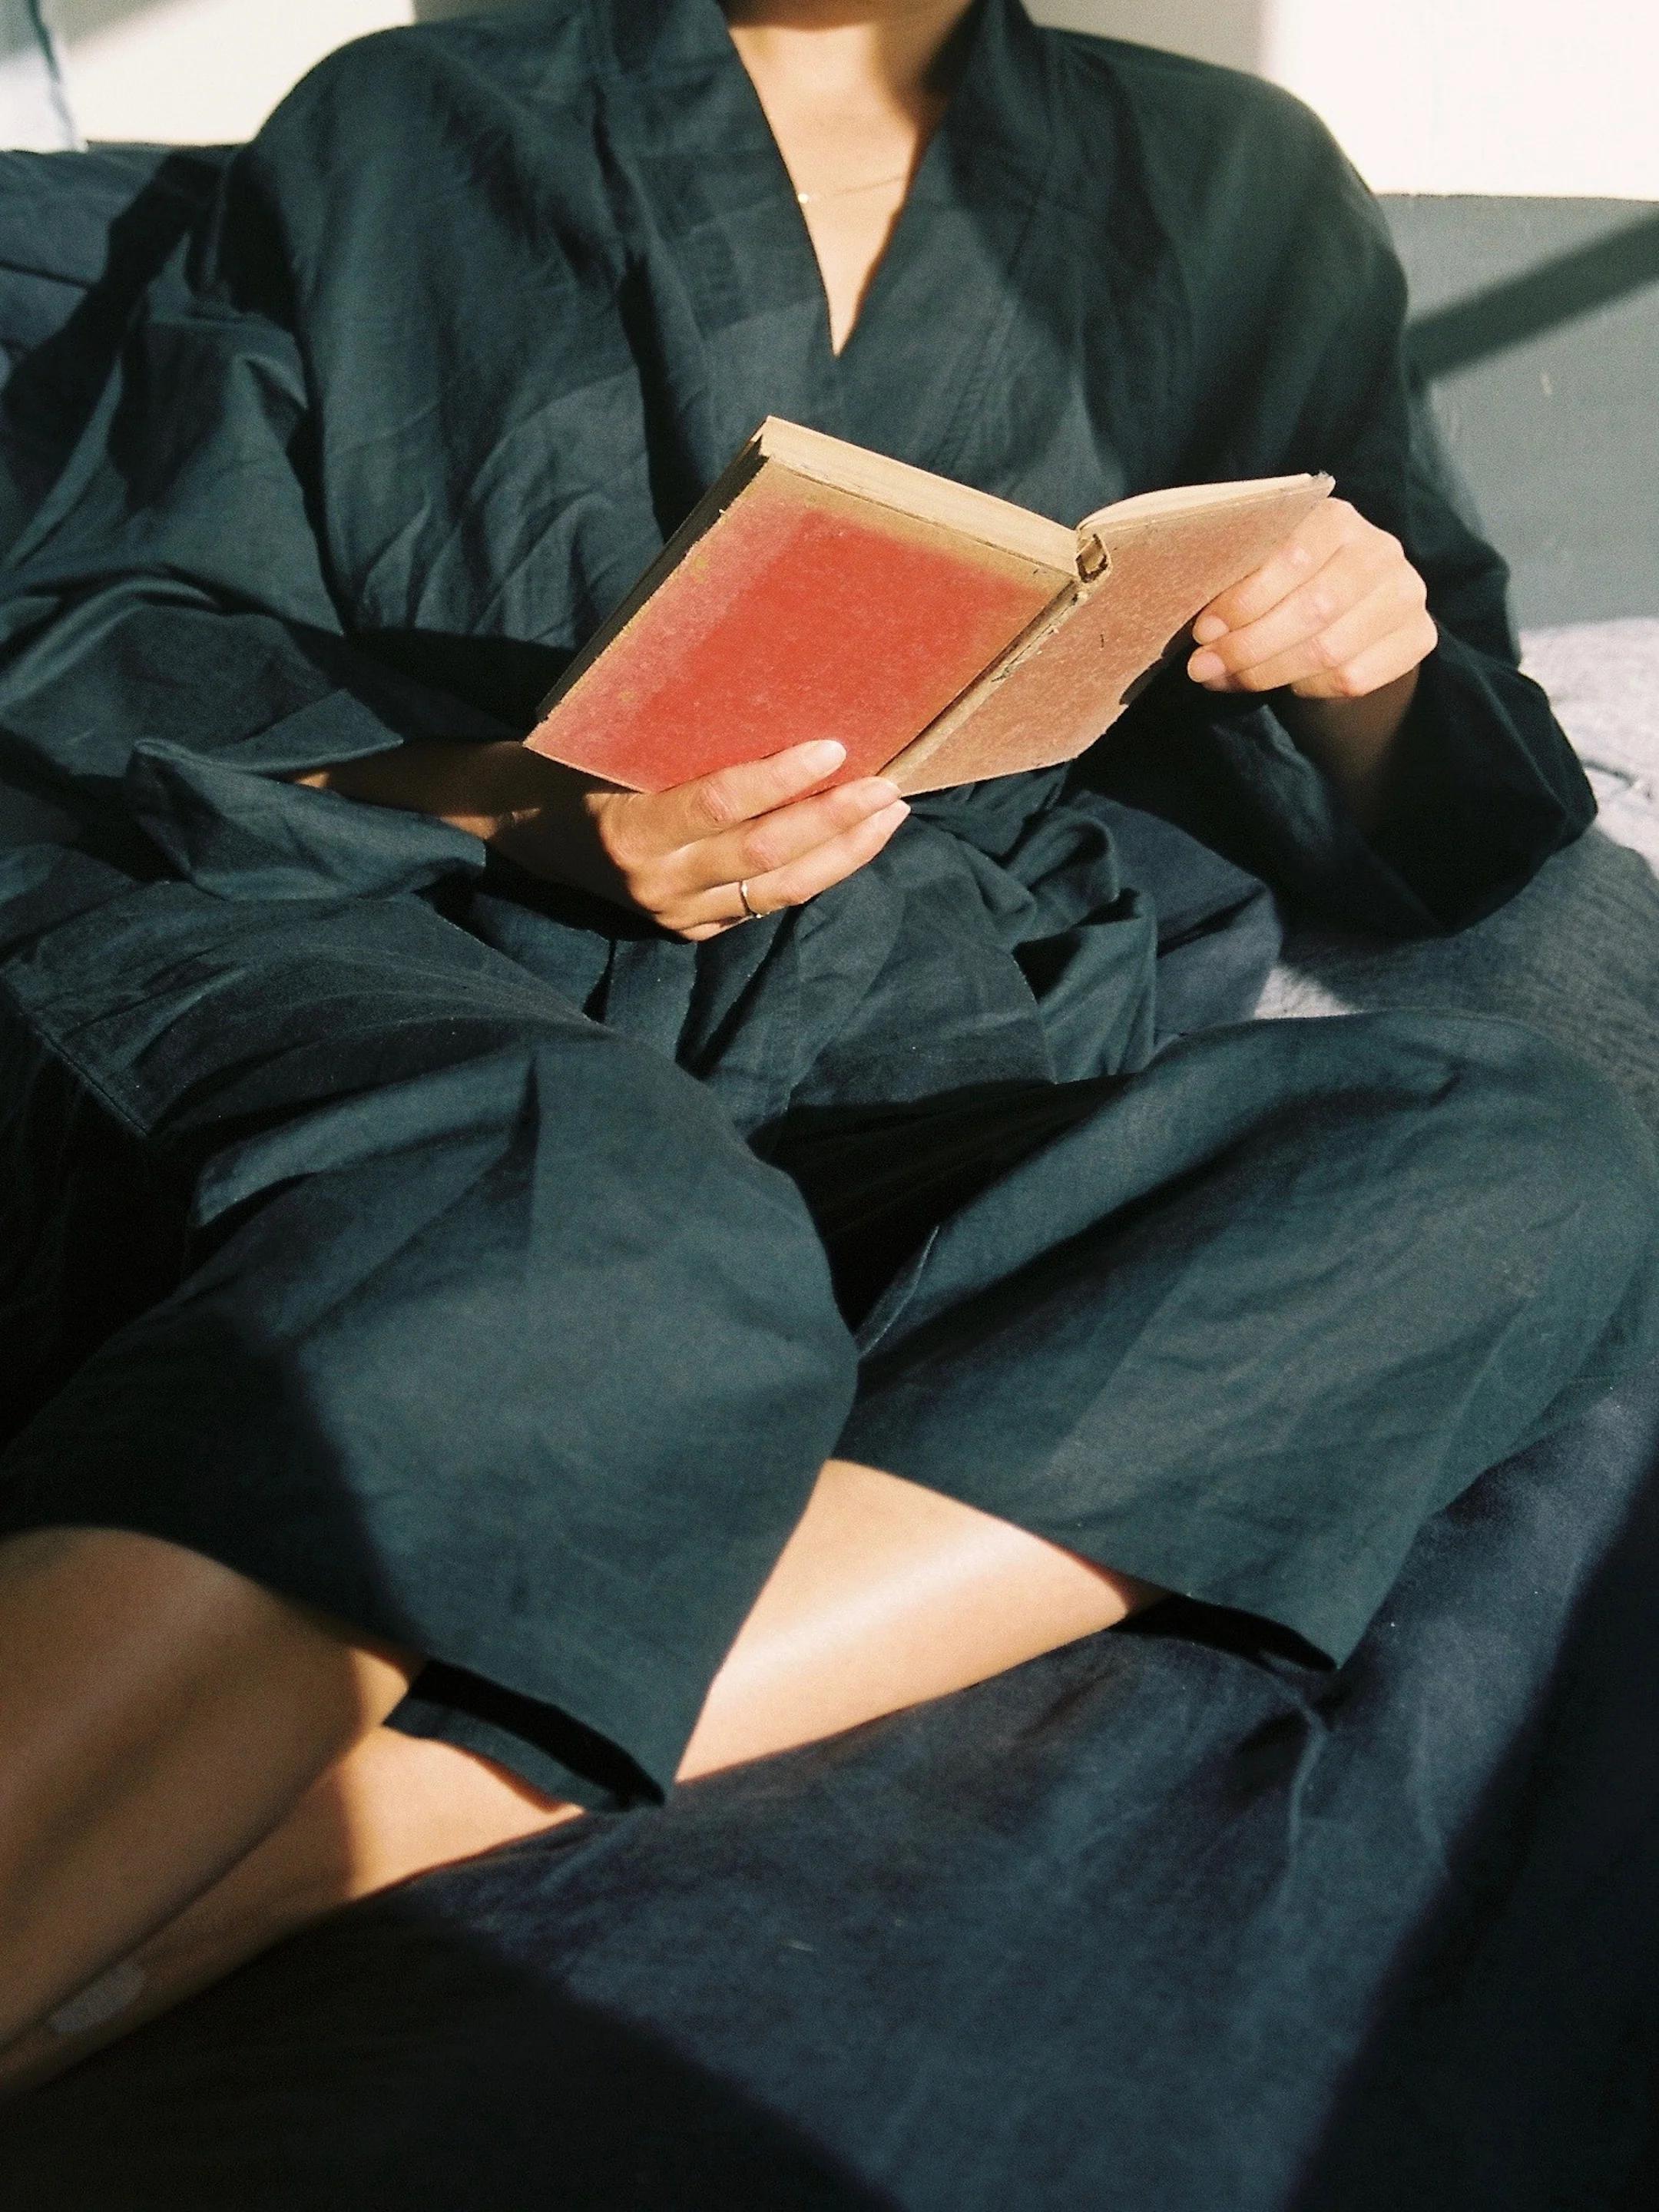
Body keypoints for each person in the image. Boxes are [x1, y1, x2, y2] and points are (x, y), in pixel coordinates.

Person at [0, 0, 1654, 2093]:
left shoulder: (1239, 183)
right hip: (437, 951)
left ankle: (318, 1844)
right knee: (574, 1212)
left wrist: (1360, 663)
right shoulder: (411, 120)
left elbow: (1456, 806)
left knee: (1518, 1159)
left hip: (916, 1033)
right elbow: (109, 611)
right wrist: (544, 810)